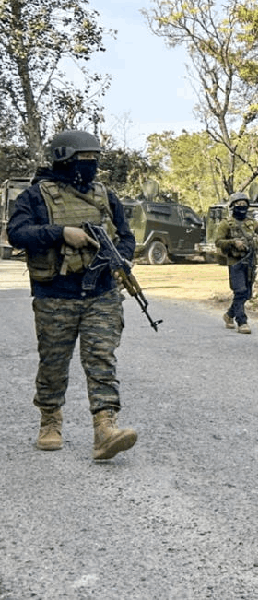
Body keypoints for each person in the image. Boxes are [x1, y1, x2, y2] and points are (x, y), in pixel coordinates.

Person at [7, 129, 138, 460]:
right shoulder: (36, 196)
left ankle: (105, 428)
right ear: (63, 159)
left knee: (101, 359)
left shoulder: (105, 195)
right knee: (53, 362)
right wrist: (61, 233)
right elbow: (16, 233)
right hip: (55, 295)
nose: (90, 165)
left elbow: (126, 236)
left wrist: (120, 257)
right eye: (84, 159)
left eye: (95, 159)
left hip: (102, 293)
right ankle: (50, 420)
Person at [215, 191, 258, 334]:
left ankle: (229, 315)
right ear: (233, 206)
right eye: (238, 204)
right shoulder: (226, 223)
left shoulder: (252, 224)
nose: (241, 207)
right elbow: (218, 242)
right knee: (239, 290)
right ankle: (242, 322)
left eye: (244, 204)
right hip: (235, 262)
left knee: (246, 294)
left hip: (251, 262)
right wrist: (233, 242)